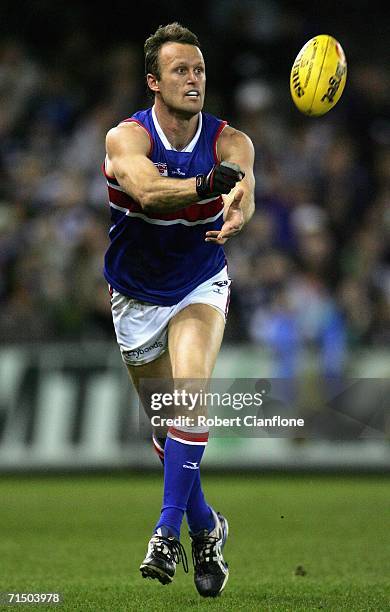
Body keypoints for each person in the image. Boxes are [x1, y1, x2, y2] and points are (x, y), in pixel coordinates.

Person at [102, 22, 255, 598]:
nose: (194, 80)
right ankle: (205, 527)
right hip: (136, 294)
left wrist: (239, 207)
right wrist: (204, 187)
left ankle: (166, 532)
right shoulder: (126, 139)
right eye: (180, 71)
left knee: (189, 396)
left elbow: (247, 187)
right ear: (153, 82)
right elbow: (146, 192)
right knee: (168, 424)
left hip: (199, 282)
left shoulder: (230, 140)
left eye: (199, 70)